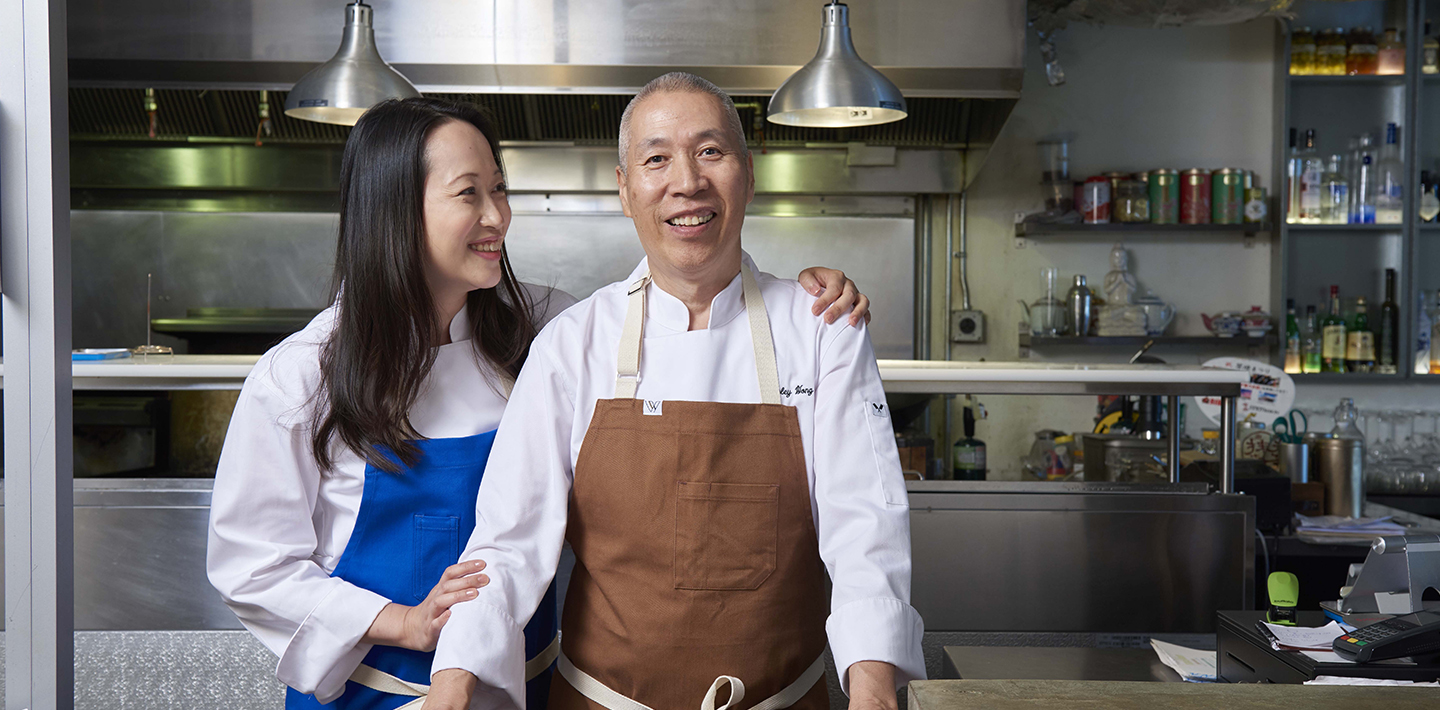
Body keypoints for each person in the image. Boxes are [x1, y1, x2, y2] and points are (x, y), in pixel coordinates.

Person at [206, 96, 871, 710]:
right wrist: (401, 623)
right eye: (471, 194)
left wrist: (806, 294)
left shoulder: (538, 328)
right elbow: (252, 567)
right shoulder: (302, 376)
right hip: (371, 692)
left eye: (499, 189)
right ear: (395, 212)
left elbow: (677, 310)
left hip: (527, 688)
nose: (499, 216)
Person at [425, 73, 924, 710]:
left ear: (748, 171)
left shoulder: (822, 329)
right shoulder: (574, 341)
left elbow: (866, 524)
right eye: (656, 158)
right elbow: (508, 542)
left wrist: (874, 693)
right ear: (625, 189)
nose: (686, 181)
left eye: (710, 151)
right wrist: (453, 684)